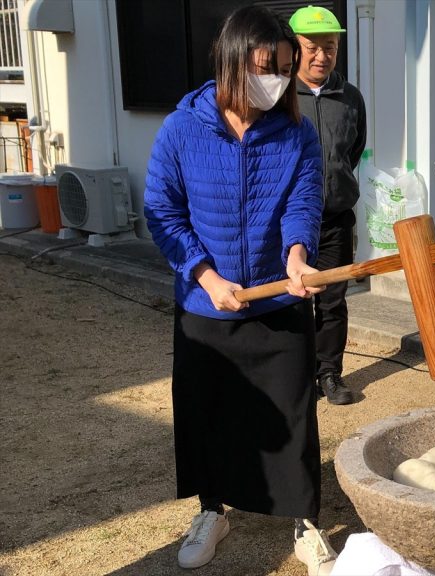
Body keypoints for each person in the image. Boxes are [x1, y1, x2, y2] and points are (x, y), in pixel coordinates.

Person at [144, 6, 338, 575]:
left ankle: (305, 522)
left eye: (283, 68)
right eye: (264, 67)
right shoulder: (182, 128)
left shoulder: (296, 131)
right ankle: (212, 510)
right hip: (207, 305)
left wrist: (298, 256)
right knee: (209, 414)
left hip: (278, 302)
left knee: (295, 415)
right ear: (232, 62)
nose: (275, 80)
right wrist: (206, 276)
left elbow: (305, 201)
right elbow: (163, 212)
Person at [289, 6, 368, 405]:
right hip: (288, 225)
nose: (321, 55)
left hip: (336, 219)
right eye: (312, 47)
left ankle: (330, 374)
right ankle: (298, 374)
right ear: (295, 48)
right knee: (295, 298)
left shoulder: (349, 97)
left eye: (330, 47)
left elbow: (352, 151)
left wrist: (333, 186)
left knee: (333, 302)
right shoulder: (280, 96)